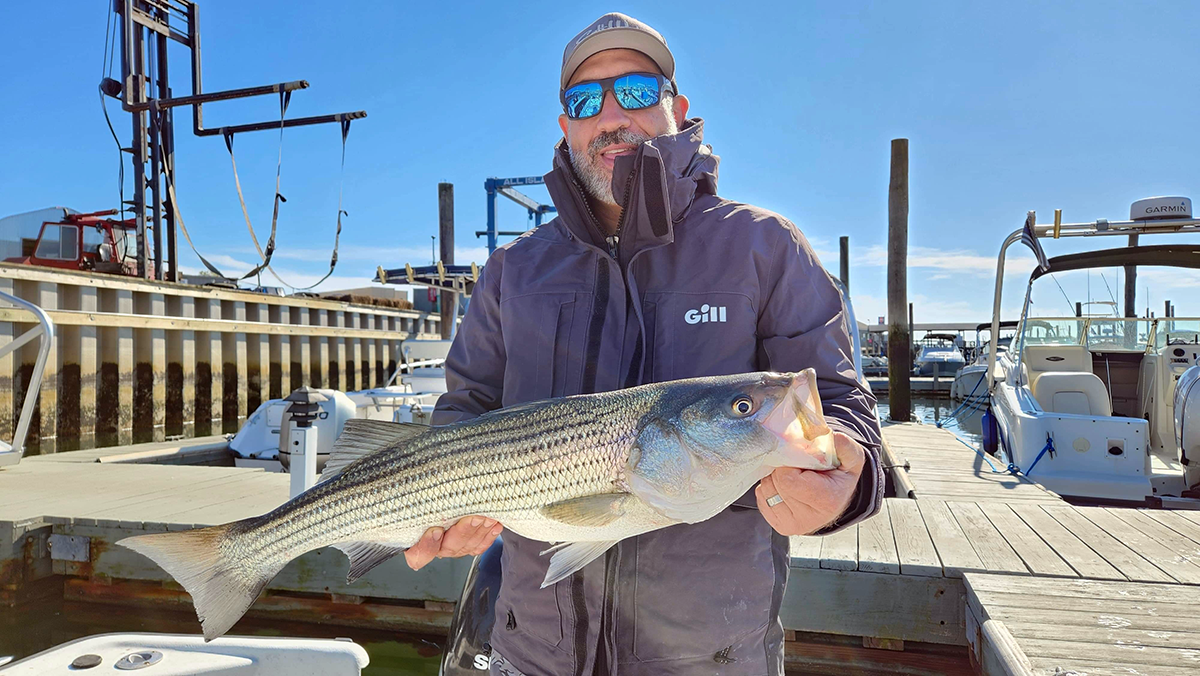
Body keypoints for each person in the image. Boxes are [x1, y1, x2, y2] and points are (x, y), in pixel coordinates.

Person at [417, 12, 883, 675]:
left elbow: (838, 406)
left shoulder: (765, 247)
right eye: (585, 100)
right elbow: (465, 408)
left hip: (711, 657)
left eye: (635, 90)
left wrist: (844, 476)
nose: (611, 115)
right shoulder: (512, 271)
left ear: (677, 107)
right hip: (530, 653)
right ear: (565, 127)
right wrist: (446, 501)